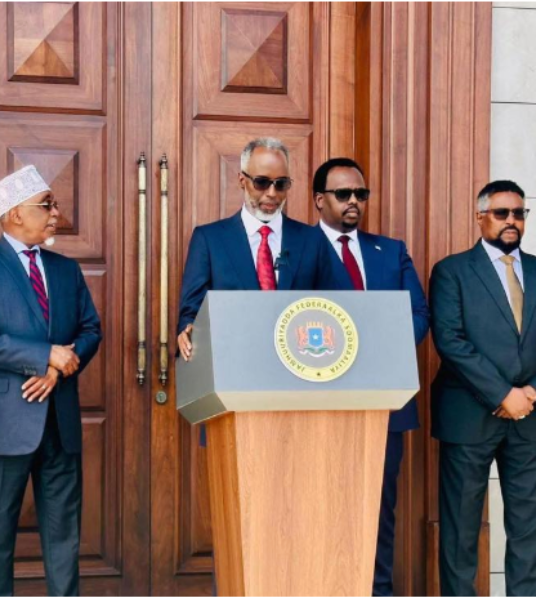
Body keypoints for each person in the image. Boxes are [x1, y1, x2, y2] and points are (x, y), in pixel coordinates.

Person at [0, 165, 102, 596]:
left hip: (60, 421)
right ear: (15, 213)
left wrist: (56, 367)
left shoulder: (65, 269)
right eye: (46, 205)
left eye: (54, 205)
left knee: (64, 537)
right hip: (3, 425)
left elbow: (91, 330)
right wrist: (42, 355)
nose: (56, 213)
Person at [429, 180, 536, 596]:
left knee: (528, 530)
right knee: (460, 529)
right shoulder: (452, 271)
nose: (511, 221)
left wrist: (532, 394)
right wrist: (502, 394)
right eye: (501, 213)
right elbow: (451, 341)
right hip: (468, 417)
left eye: (519, 213)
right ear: (480, 217)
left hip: (531, 418)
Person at [312, 157, 429, 597]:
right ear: (319, 199)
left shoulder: (390, 250)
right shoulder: (300, 248)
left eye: (361, 194)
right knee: (322, 505)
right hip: (322, 401)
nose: (354, 202)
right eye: (343, 194)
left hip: (384, 401)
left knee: (379, 507)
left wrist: (375, 352)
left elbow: (418, 315)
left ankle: (378, 591)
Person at [177, 137, 347, 361]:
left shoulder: (313, 240)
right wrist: (188, 331)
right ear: (242, 180)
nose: (272, 193)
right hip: (233, 365)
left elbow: (334, 306)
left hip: (298, 367)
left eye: (281, 184)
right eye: (261, 182)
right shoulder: (209, 240)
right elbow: (192, 312)